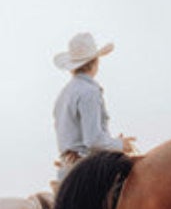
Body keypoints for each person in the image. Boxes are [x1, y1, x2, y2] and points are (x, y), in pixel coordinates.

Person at [51, 32, 134, 182]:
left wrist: (111, 142)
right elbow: (93, 141)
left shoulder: (64, 94)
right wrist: (120, 144)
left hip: (67, 171)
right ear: (96, 62)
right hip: (87, 172)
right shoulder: (89, 92)